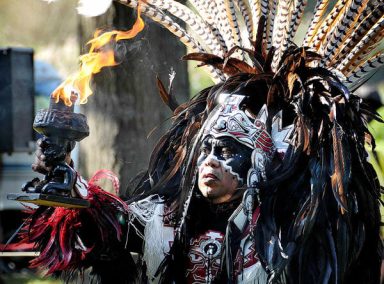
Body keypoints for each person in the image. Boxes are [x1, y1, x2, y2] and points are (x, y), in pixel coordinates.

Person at [15, 0, 384, 283]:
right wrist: (66, 182)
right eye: (206, 150)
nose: (209, 160)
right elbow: (111, 225)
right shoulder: (167, 219)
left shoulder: (288, 229)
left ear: (259, 160)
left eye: (226, 152)